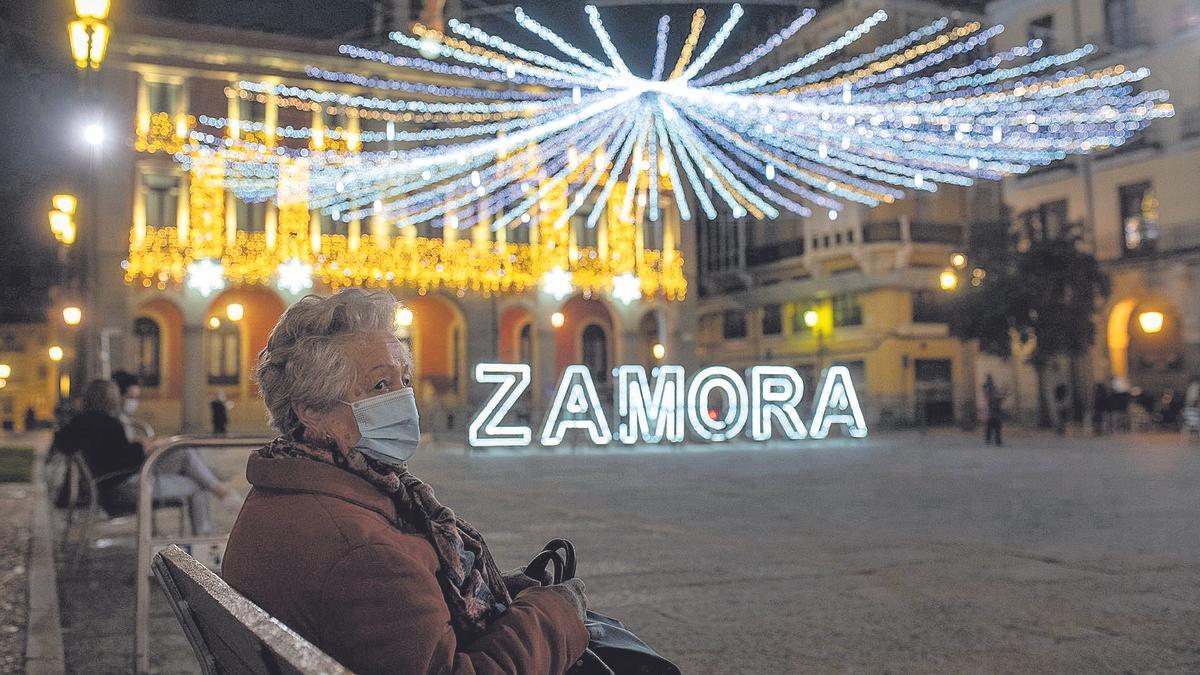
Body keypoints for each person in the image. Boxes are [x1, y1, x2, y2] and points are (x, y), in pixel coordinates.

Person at [222, 289, 588, 674]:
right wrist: (555, 615)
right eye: (380, 386)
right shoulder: (363, 552)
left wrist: (486, 593)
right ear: (312, 409)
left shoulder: (290, 491)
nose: (404, 401)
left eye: (405, 380)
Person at [55, 379, 236, 534]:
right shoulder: (109, 423)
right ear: (110, 398)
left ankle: (218, 489)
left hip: (110, 485)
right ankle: (204, 539)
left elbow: (97, 451)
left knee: (184, 452)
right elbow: (121, 461)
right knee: (199, 484)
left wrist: (137, 446)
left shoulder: (80, 422)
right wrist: (143, 448)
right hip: (124, 489)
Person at [112, 370, 155, 443]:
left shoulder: (124, 418)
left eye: (137, 398)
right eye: (131, 397)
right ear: (117, 396)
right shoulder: (113, 422)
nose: (134, 402)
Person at [982, 374, 1005, 446]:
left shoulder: (989, 389)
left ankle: (991, 440)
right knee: (995, 428)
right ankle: (997, 441)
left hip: (992, 413)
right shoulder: (992, 390)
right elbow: (999, 397)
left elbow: (998, 397)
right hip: (994, 413)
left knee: (991, 428)